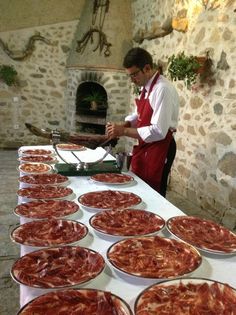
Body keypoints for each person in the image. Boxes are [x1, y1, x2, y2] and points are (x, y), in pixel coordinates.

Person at [106, 47, 179, 197]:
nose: (132, 80)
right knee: (142, 188)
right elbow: (138, 114)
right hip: (147, 146)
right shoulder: (146, 87)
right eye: (129, 76)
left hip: (161, 146)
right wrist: (124, 125)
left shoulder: (162, 89)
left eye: (134, 75)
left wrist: (124, 131)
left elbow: (158, 131)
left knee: (155, 193)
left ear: (147, 68)